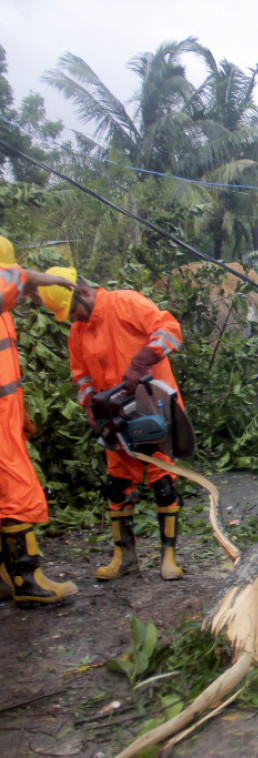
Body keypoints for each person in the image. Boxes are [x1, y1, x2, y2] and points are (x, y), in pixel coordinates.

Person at [39, 267, 186, 582]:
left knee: (162, 483)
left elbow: (170, 328)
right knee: (117, 485)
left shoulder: (124, 303)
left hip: (152, 407)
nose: (73, 318)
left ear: (84, 292)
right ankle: (125, 557)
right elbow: (81, 376)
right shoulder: (78, 332)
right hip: (115, 417)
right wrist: (90, 405)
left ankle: (169, 557)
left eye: (74, 311)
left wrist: (142, 359)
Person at [0, 236, 79, 605]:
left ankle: (6, 575)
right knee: (17, 494)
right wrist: (49, 281)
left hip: (6, 415)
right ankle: (27, 581)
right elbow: (15, 281)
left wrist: (18, 413)